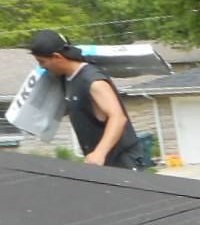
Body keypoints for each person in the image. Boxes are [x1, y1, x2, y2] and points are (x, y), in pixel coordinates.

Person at [26, 29, 149, 169]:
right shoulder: (66, 79)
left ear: (57, 57)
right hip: (102, 166)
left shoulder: (92, 81)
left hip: (122, 163)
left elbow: (118, 118)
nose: (41, 66)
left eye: (42, 61)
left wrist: (99, 153)